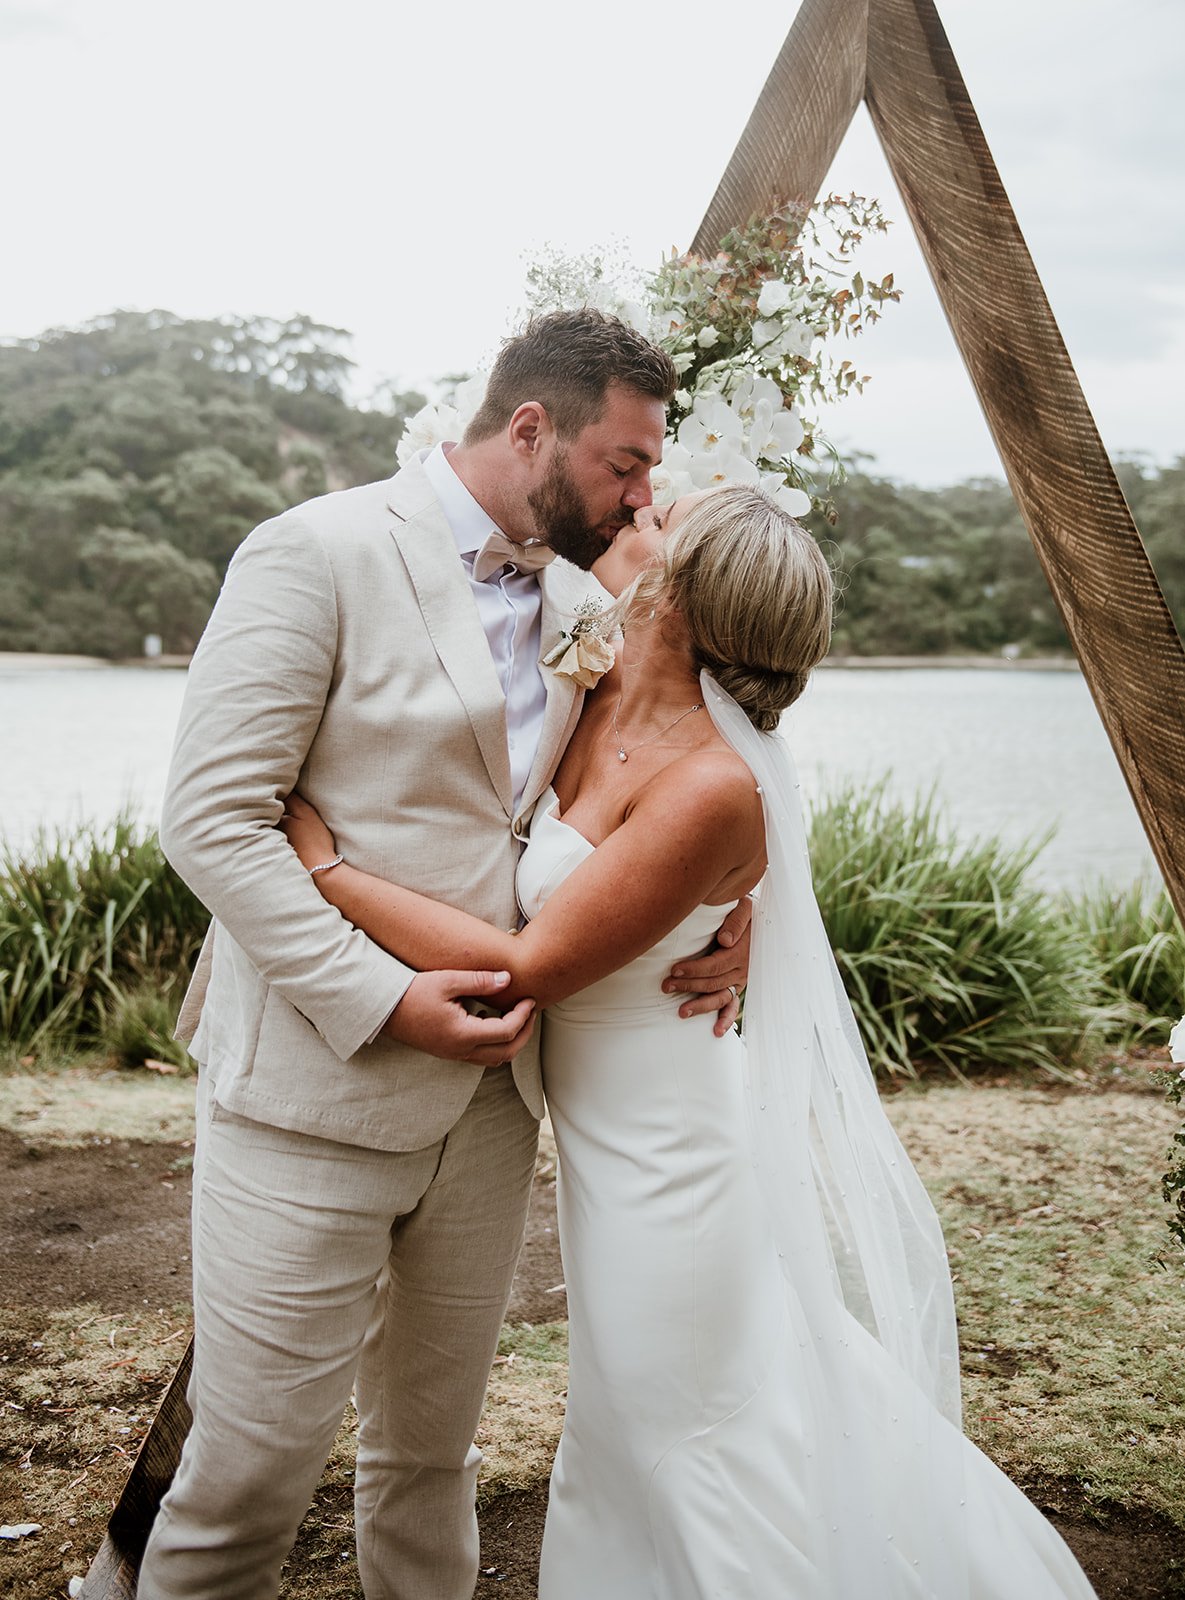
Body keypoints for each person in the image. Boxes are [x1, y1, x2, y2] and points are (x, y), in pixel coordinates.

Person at [281, 483, 1099, 1598]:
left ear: (683, 593)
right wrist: (733, 907)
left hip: (673, 1163)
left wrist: (325, 870)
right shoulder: (592, 674)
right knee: (638, 1415)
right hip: (602, 1140)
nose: (641, 517)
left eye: (664, 523)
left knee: (687, 1428)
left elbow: (526, 967)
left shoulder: (717, 784)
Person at [138, 310, 751, 1600]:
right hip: (314, 1088)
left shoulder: (588, 596)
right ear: (532, 427)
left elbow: (669, 767)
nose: (646, 494)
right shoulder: (315, 551)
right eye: (626, 464)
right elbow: (209, 818)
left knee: (429, 1464)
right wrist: (381, 998)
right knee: (250, 1474)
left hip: (489, 1110)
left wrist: (727, 892)